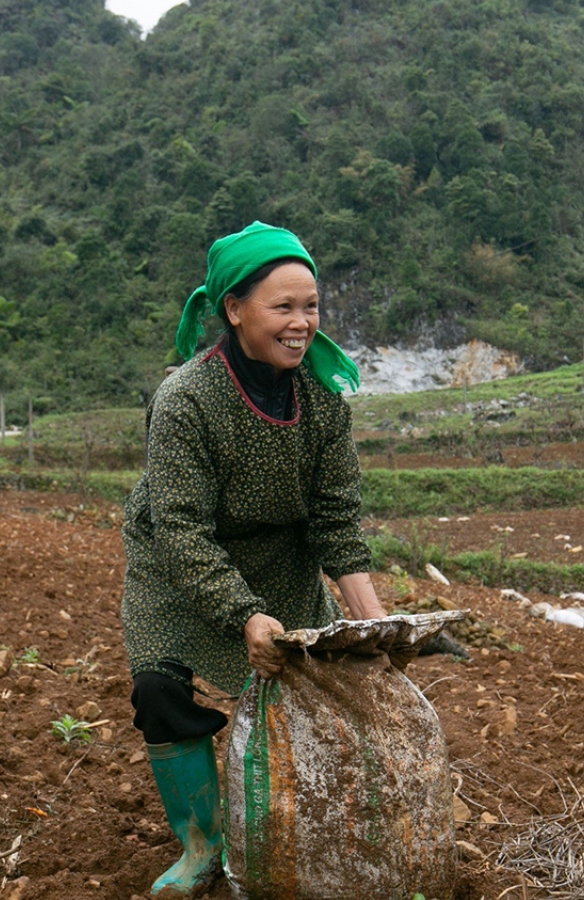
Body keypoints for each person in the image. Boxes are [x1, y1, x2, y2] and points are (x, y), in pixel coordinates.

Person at [119, 221, 388, 898]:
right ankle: (201, 845)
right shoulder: (185, 400)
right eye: (283, 307)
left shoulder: (322, 398)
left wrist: (375, 627)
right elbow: (180, 527)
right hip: (180, 562)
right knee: (160, 689)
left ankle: (302, 827)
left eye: (312, 307)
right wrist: (244, 615)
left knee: (311, 688)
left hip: (281, 558)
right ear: (234, 310)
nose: (302, 324)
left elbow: (335, 523)